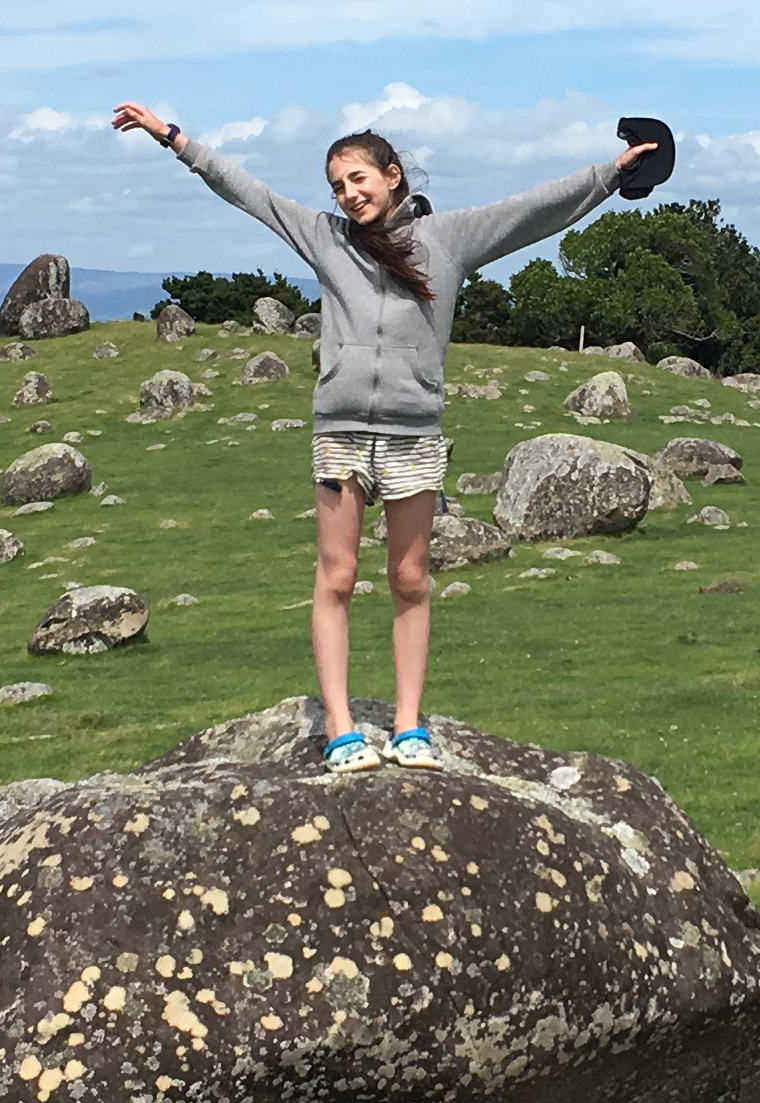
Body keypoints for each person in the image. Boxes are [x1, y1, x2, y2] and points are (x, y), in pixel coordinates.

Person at [111, 103, 662, 769]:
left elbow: (533, 210)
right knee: (336, 576)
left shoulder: (448, 240)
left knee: (409, 578)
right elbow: (246, 191)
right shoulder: (324, 237)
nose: (347, 194)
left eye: (357, 179)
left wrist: (610, 175)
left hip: (414, 437)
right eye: (337, 185)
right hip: (340, 433)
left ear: (392, 175)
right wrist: (175, 139)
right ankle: (340, 729)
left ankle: (409, 728)